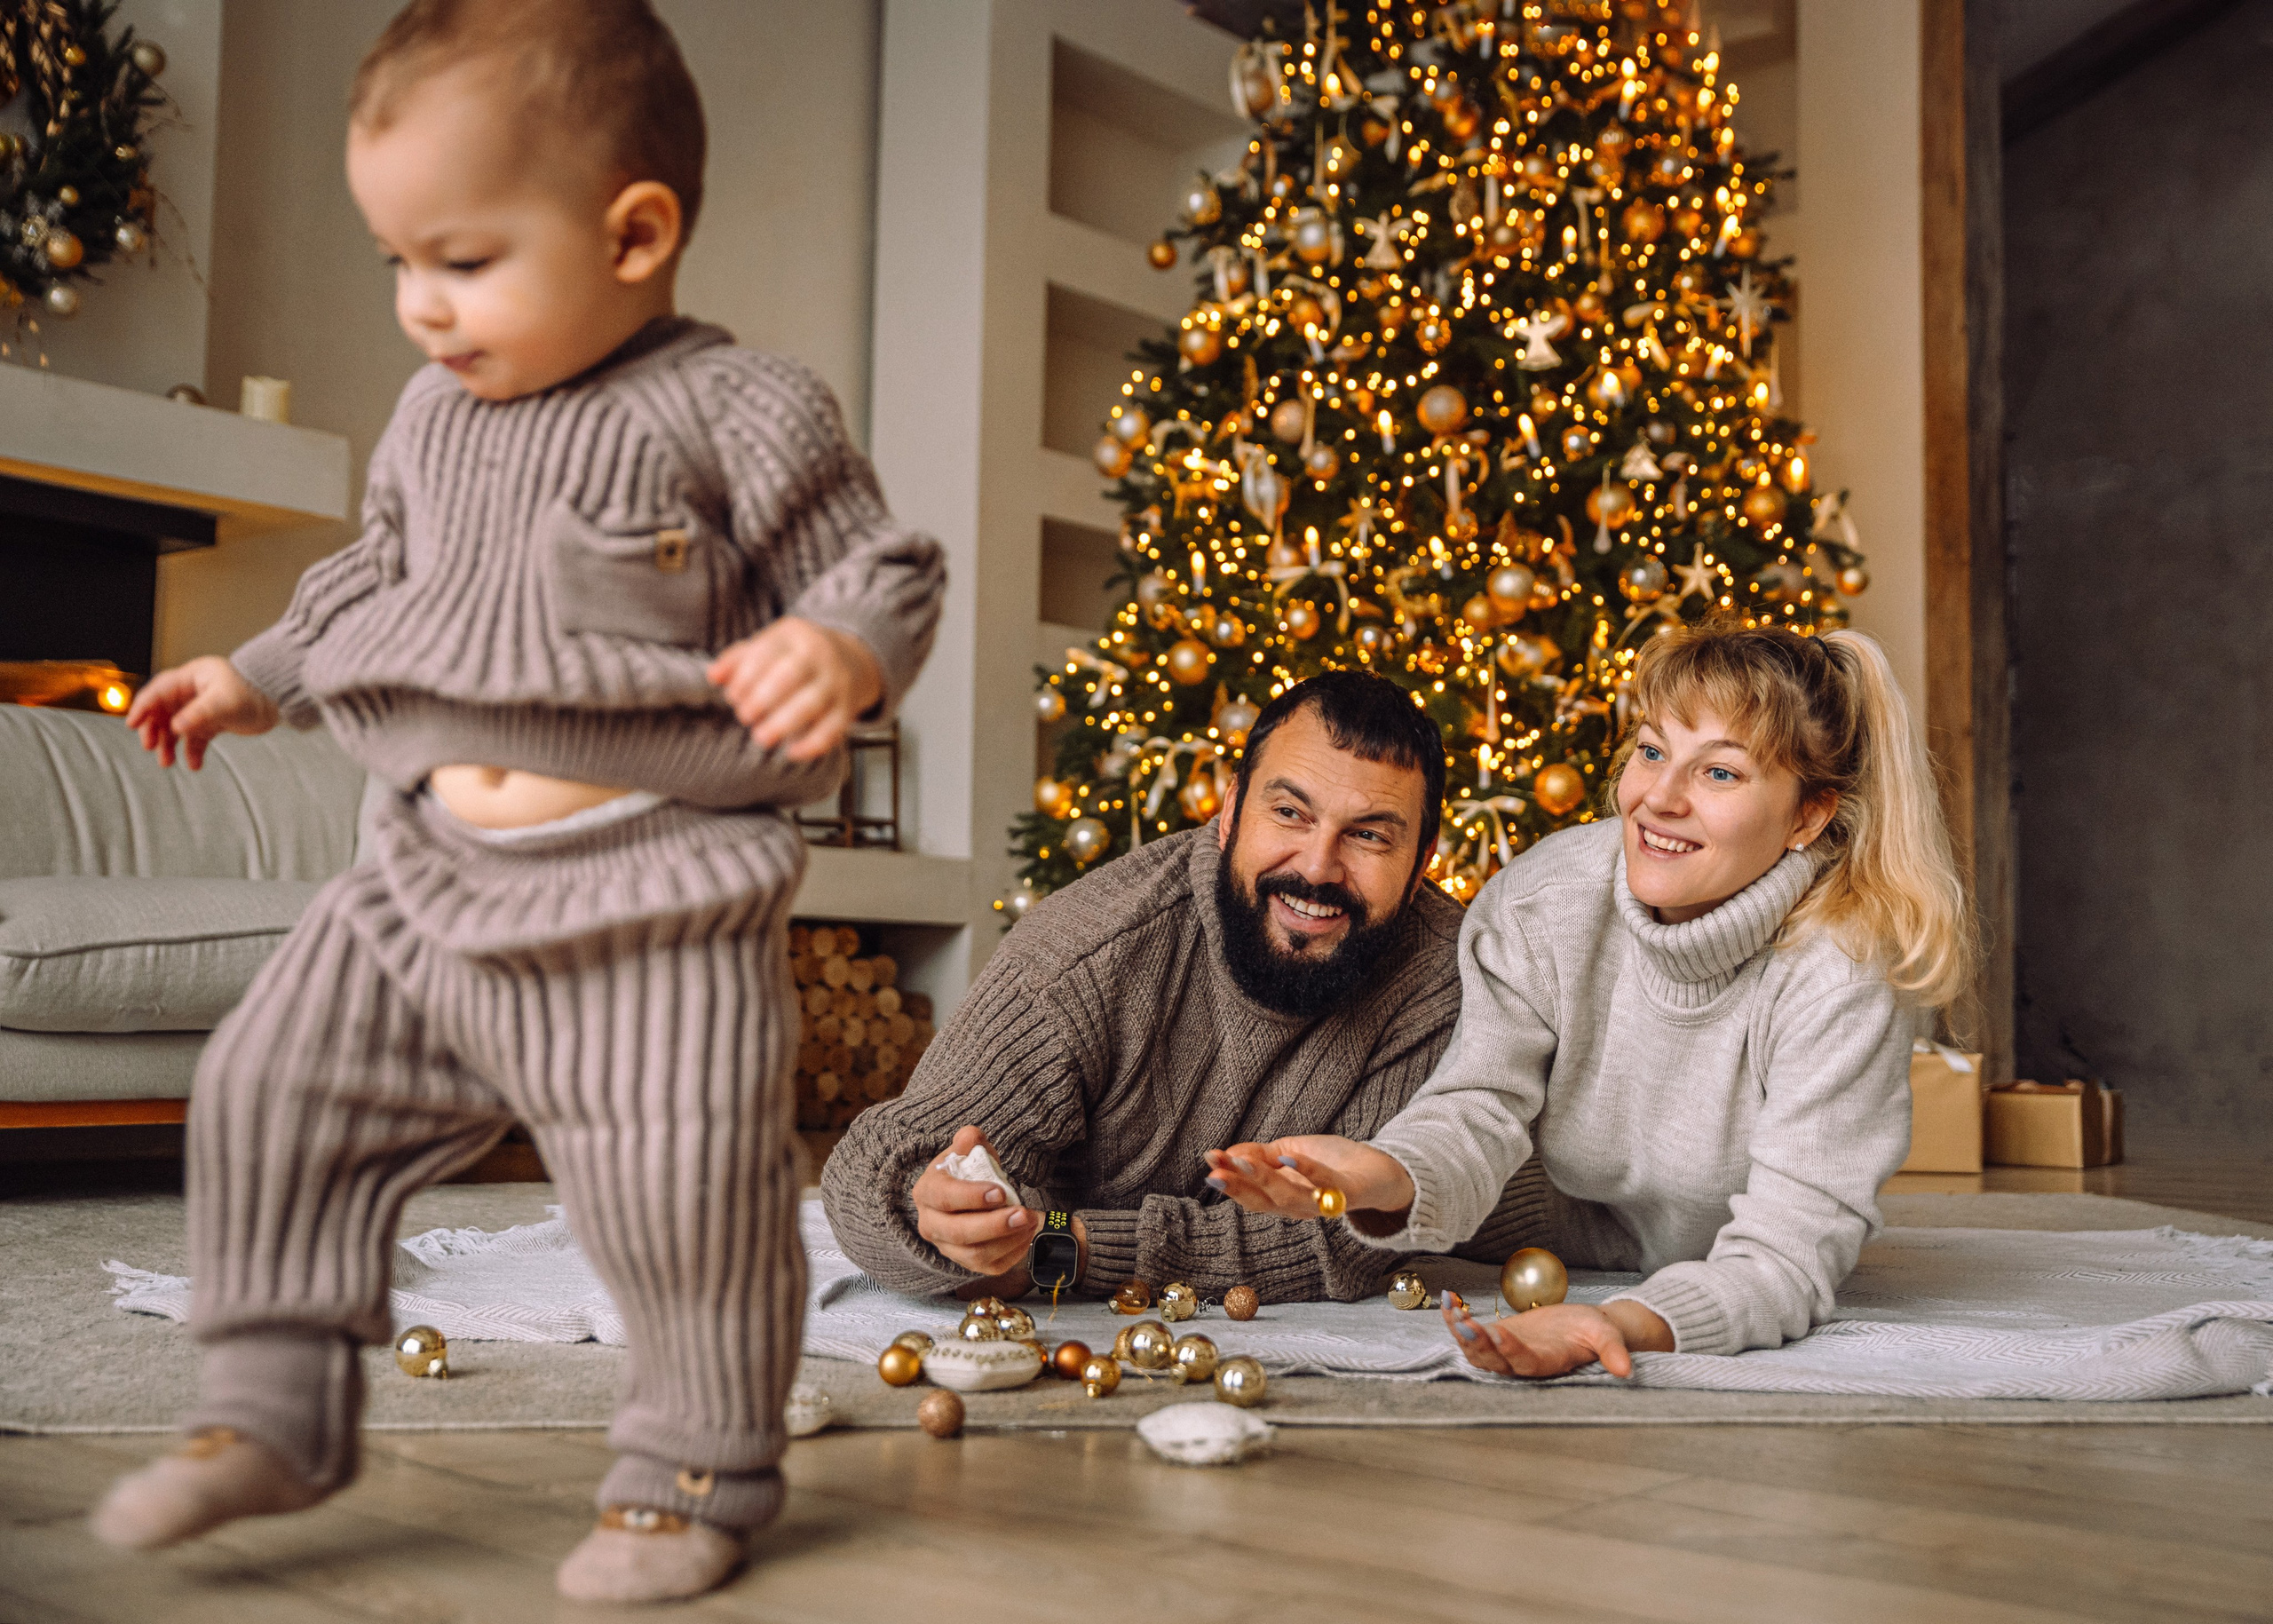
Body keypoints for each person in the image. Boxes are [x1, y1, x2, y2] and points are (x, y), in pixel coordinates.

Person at [91, 0, 943, 1604]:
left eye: (463, 258)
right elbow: (373, 578)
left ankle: (694, 1463)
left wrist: (840, 644)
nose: (420, 305)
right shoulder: (433, 417)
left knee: (681, 1192)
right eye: (396, 260)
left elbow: (872, 564)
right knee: (270, 1089)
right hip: (419, 877)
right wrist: (258, 672)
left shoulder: (738, 409)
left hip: (646, 903)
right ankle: (270, 1405)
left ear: (634, 233)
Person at [1208, 621, 1970, 1378]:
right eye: (1652, 751)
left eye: (1721, 773)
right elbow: (1479, 1107)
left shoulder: (1841, 969)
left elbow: (1785, 1256)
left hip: (1704, 1263)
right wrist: (1380, 1174)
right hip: (1532, 1233)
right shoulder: (1545, 901)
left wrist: (1615, 1323)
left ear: (1809, 815)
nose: (1658, 799)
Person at [823, 669, 1536, 1303]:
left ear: (1421, 865)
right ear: (1230, 812)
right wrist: (929, 1210)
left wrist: (1059, 1251)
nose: (1318, 867)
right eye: (1289, 812)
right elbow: (873, 1167)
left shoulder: (1448, 976)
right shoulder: (1093, 946)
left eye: (1370, 836)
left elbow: (1338, 1241)